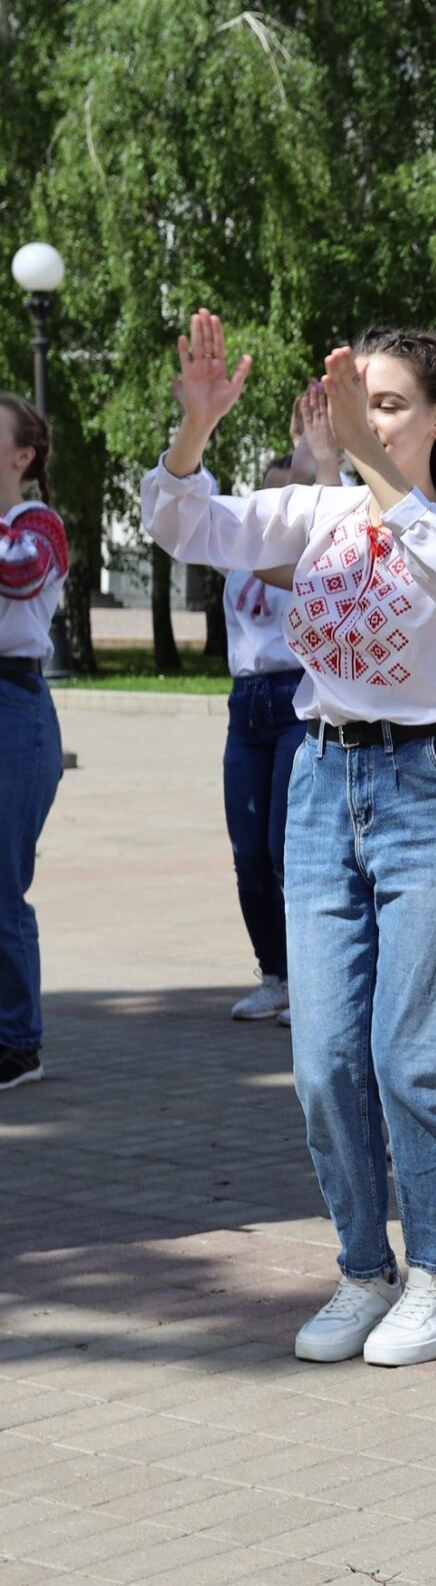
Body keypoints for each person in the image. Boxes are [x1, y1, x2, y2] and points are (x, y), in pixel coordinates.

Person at [143, 315, 436, 1367]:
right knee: (323, 1063)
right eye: (361, 401)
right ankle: (365, 1269)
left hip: (434, 788)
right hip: (322, 779)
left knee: (413, 1061)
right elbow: (184, 524)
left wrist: (360, 448)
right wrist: (194, 430)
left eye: (392, 404)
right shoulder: (316, 513)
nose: (371, 420)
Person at [221, 393, 331, 1028]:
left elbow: (315, 482)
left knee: (286, 846)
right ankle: (277, 976)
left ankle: (315, 981)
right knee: (248, 854)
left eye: (283, 498)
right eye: (263, 499)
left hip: (297, 697)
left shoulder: (312, 552)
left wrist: (309, 439)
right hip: (247, 705)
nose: (271, 509)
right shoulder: (241, 554)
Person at [0, 392, 65, 1093]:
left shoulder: (37, 523)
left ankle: (19, 1041)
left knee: (1, 884)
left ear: (23, 455)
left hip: (13, 707)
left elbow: (18, 573)